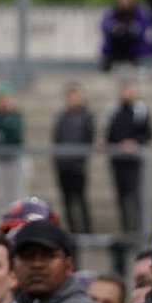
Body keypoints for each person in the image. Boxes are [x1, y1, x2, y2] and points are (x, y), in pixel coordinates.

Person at [106, 79, 152, 235]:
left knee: (137, 197)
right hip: (118, 162)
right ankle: (126, 230)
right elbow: (110, 134)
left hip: (135, 162)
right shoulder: (114, 110)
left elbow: (148, 134)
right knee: (122, 197)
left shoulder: (140, 110)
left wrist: (134, 143)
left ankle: (139, 231)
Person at [52, 83, 95, 235]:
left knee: (80, 200)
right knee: (67, 201)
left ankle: (87, 232)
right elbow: (57, 138)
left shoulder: (86, 116)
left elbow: (88, 137)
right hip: (63, 165)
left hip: (77, 165)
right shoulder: (62, 117)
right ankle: (73, 232)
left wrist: (80, 159)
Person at [0, 87, 26, 209]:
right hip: (0, 159)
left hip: (15, 158)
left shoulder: (16, 116)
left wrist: (2, 132)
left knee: (17, 194)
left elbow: (15, 136)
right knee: (2, 196)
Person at [99, 0, 152, 70]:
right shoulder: (112, 12)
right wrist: (116, 28)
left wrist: (129, 28)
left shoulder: (140, 12)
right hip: (115, 47)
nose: (124, 1)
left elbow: (143, 27)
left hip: (135, 47)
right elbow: (105, 25)